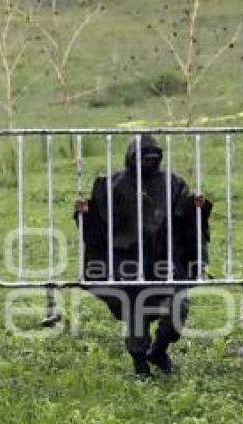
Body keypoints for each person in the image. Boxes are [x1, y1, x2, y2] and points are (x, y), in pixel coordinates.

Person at [74, 134, 212, 377]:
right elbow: (98, 227)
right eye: (144, 158)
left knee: (177, 307)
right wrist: (85, 213)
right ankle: (140, 365)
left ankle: (158, 351)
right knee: (137, 312)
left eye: (153, 158)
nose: (149, 162)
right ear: (132, 158)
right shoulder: (112, 185)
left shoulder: (172, 184)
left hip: (164, 261)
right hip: (126, 262)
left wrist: (197, 208)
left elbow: (185, 220)